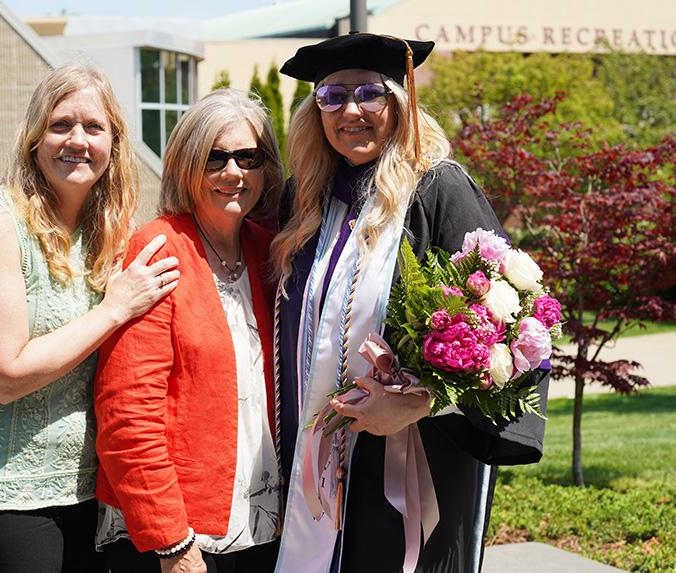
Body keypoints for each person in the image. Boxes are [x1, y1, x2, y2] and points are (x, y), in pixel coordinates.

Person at [271, 33, 550, 573]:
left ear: (400, 102)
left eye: (369, 93)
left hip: (411, 469)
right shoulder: (301, 200)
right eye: (332, 96)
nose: (350, 110)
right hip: (309, 467)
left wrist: (419, 404)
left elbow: (518, 335)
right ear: (315, 111)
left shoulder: (439, 191)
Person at [0, 63, 179, 573]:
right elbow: (2, 375)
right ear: (34, 138)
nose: (77, 140)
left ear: (114, 143)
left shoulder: (104, 230)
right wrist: (113, 309)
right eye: (61, 124)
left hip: (87, 486)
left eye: (93, 127)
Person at [93, 89, 285, 573]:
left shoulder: (271, 252)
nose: (233, 172)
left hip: (267, 523)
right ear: (185, 166)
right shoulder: (159, 249)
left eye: (248, 157)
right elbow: (128, 412)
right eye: (214, 158)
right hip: (182, 535)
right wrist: (172, 543)